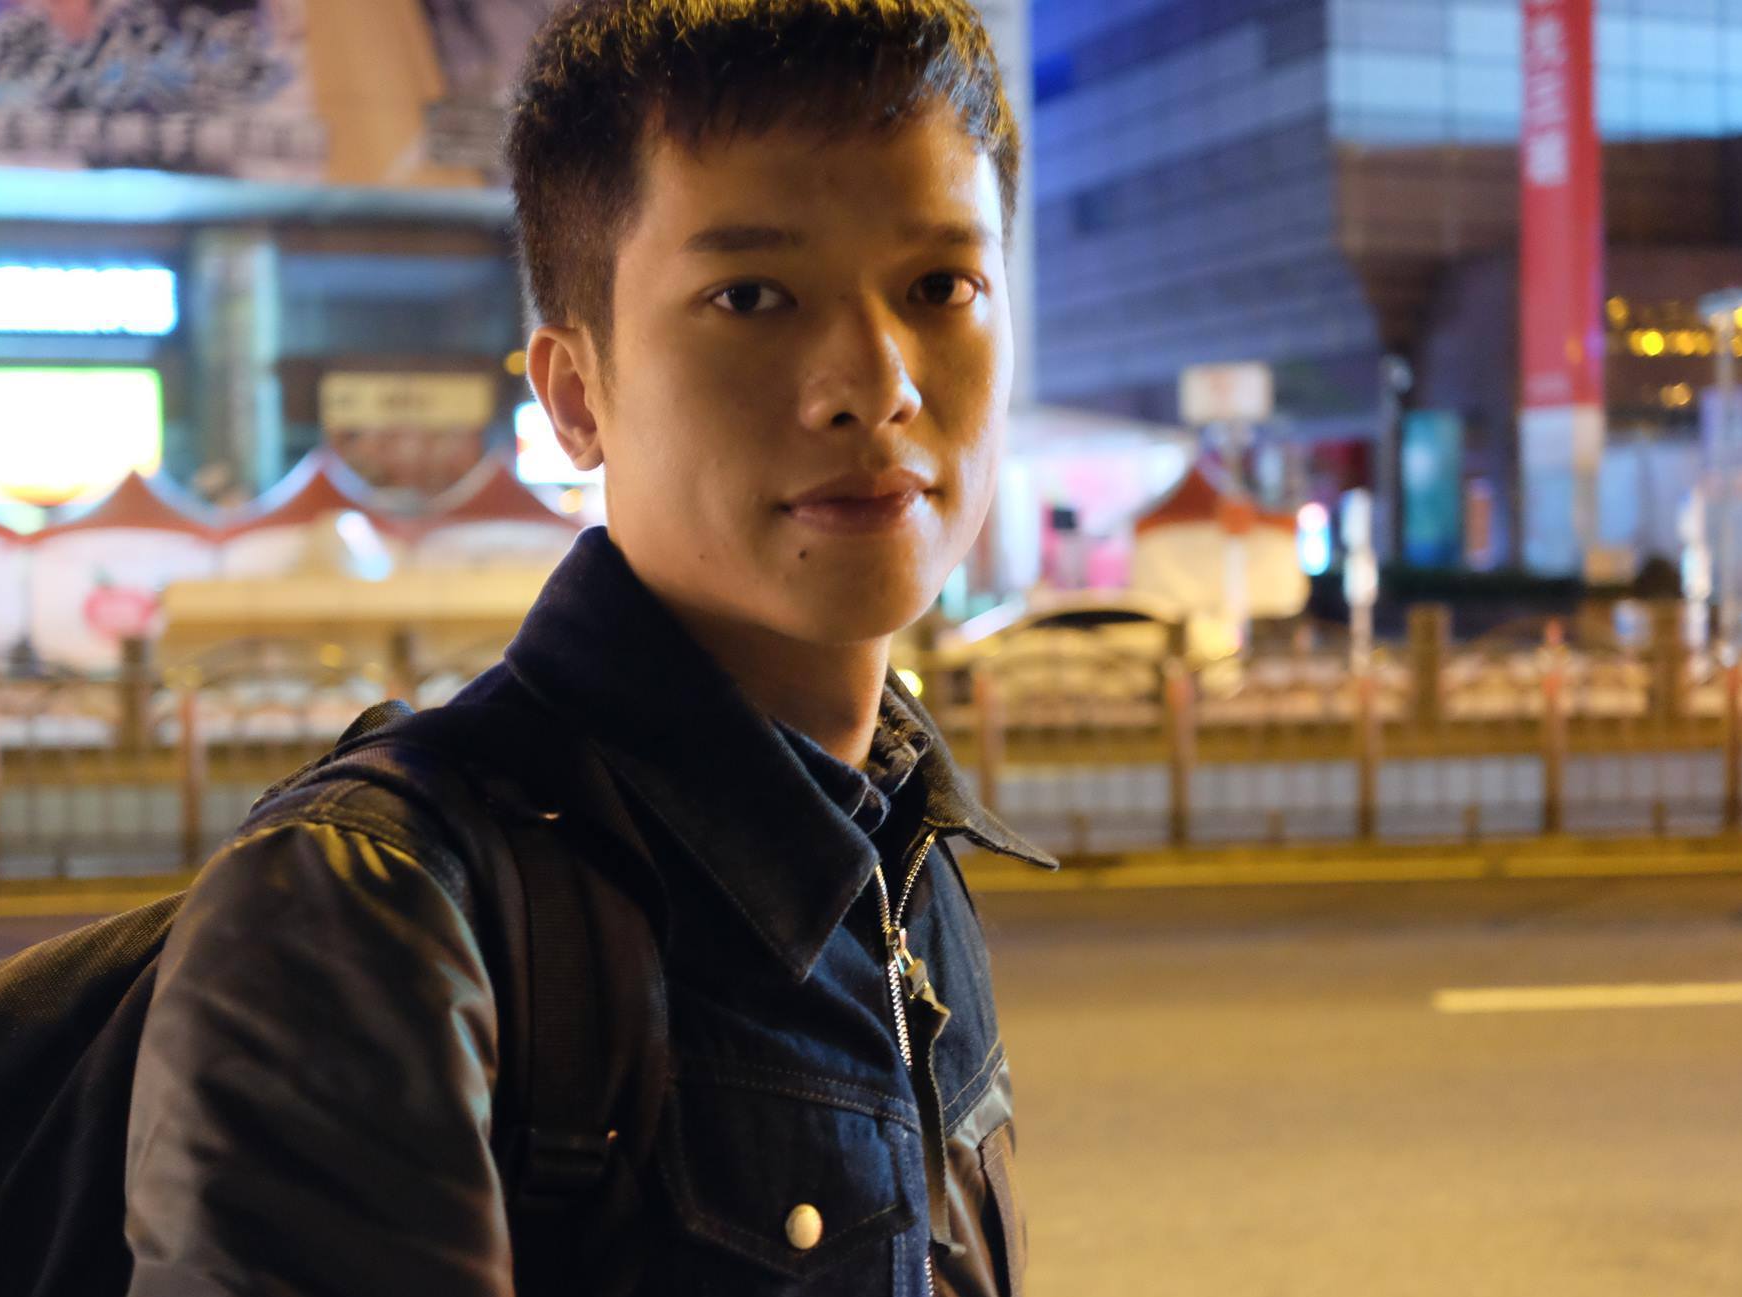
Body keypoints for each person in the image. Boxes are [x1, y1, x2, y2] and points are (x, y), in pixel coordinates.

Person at [121, 0, 1057, 1293]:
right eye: (752, 296)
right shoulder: (373, 914)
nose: (875, 383)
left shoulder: (899, 845)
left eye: (940, 287)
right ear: (574, 394)